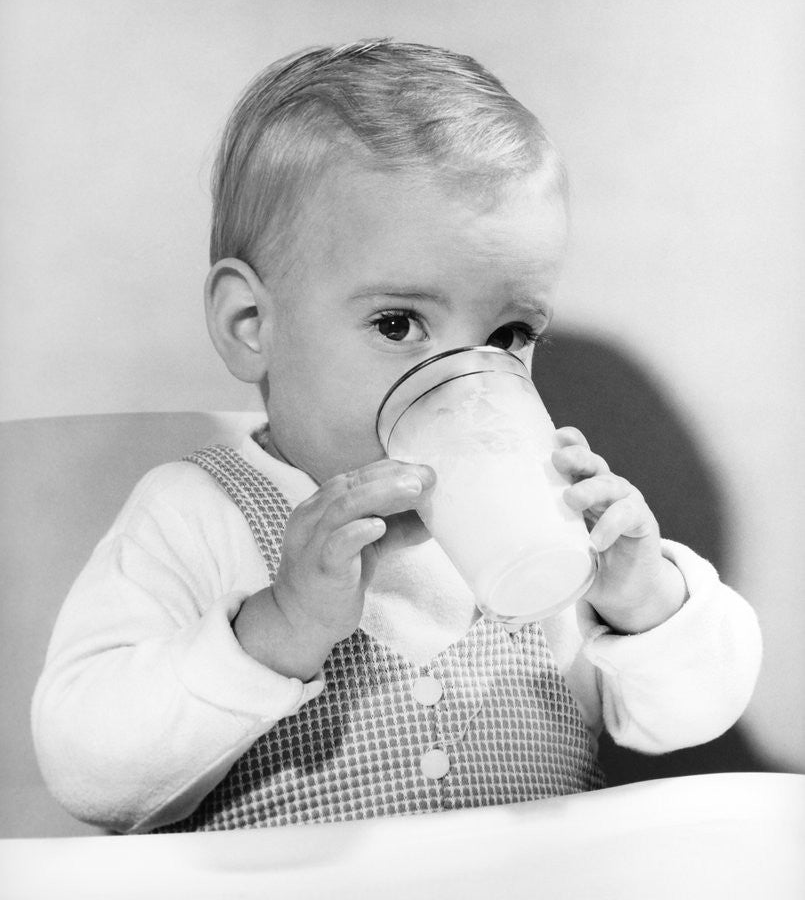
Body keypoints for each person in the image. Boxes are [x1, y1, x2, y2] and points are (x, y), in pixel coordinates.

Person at [31, 40, 761, 834]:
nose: (461, 378)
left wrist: (643, 599)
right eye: (397, 323)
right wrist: (278, 628)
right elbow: (86, 769)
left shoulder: (539, 517)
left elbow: (692, 714)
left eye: (510, 332)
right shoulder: (196, 513)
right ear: (252, 326)